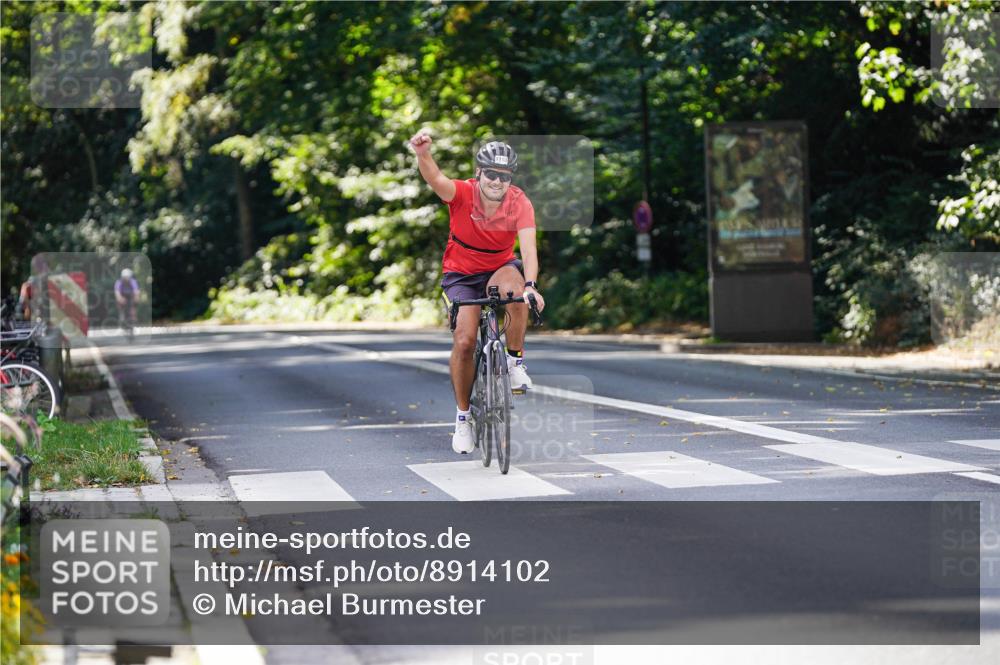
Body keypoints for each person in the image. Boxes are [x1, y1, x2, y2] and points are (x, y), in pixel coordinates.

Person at [409, 132, 545, 454]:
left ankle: (513, 363)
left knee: (516, 291)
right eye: (492, 174)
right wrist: (423, 154)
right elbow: (436, 178)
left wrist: (531, 286)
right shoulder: (463, 193)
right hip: (460, 275)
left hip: (499, 268)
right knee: (466, 340)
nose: (498, 181)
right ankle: (463, 417)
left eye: (505, 176)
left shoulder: (519, 202)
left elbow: (528, 250)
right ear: (479, 172)